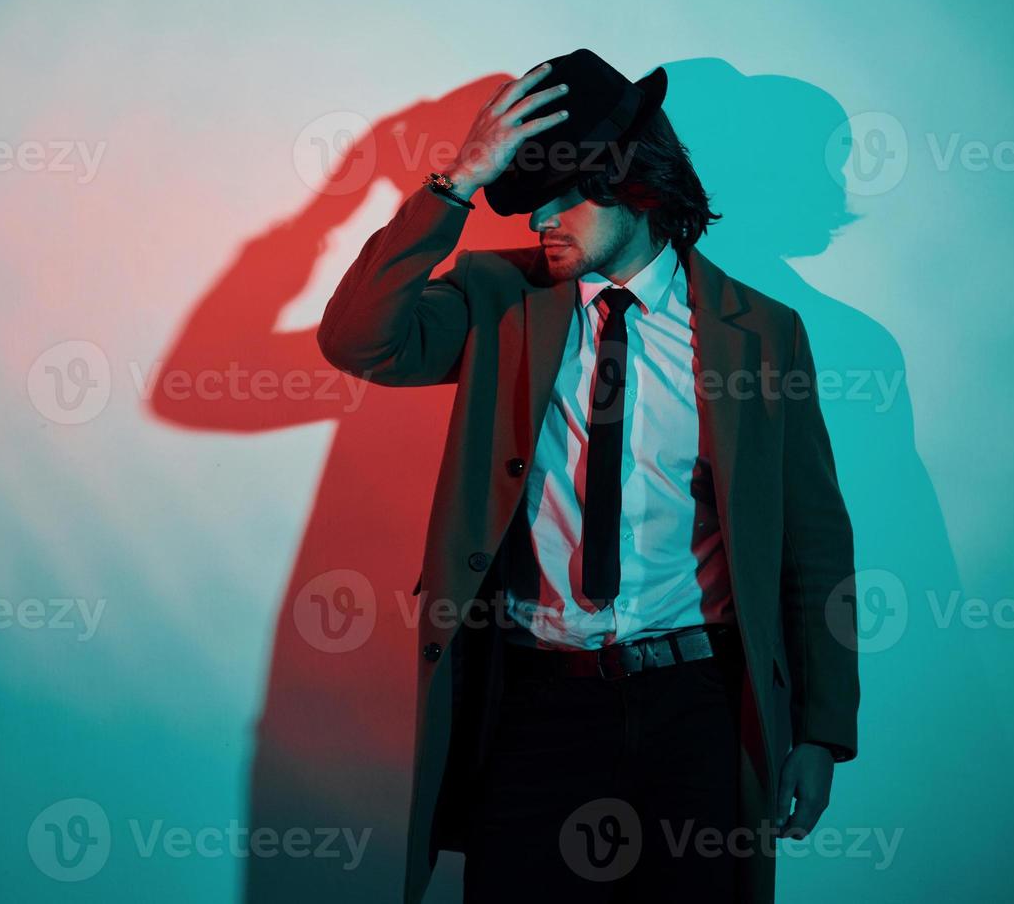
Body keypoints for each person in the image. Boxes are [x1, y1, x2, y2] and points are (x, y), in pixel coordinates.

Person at [316, 48, 859, 903]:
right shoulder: (499, 299)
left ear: (631, 185)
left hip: (701, 708)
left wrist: (823, 732)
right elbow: (357, 341)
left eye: (559, 197)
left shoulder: (761, 334)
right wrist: (454, 185)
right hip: (538, 703)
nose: (539, 223)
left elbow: (815, 542)